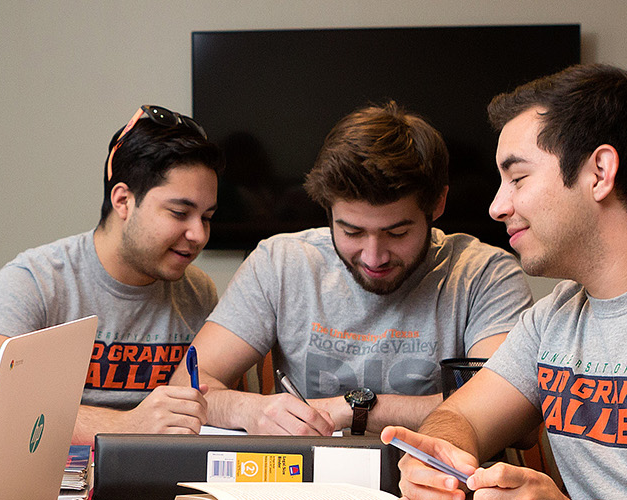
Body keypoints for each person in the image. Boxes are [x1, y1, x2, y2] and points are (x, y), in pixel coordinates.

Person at [384, 64, 627, 500]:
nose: (496, 206)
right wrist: (435, 459)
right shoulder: (553, 317)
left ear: (600, 172)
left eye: (517, 178)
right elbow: (463, 417)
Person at [176, 102, 532, 437]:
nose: (373, 257)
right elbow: (185, 390)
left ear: (437, 203)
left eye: (397, 232)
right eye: (352, 231)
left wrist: (355, 410)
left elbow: (508, 411)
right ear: (327, 209)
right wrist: (249, 410)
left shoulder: (485, 274)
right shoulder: (280, 263)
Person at [0, 105, 222, 444]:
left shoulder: (198, 292)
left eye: (207, 218)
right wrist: (127, 425)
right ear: (123, 200)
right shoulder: (36, 280)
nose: (198, 235)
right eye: (180, 213)